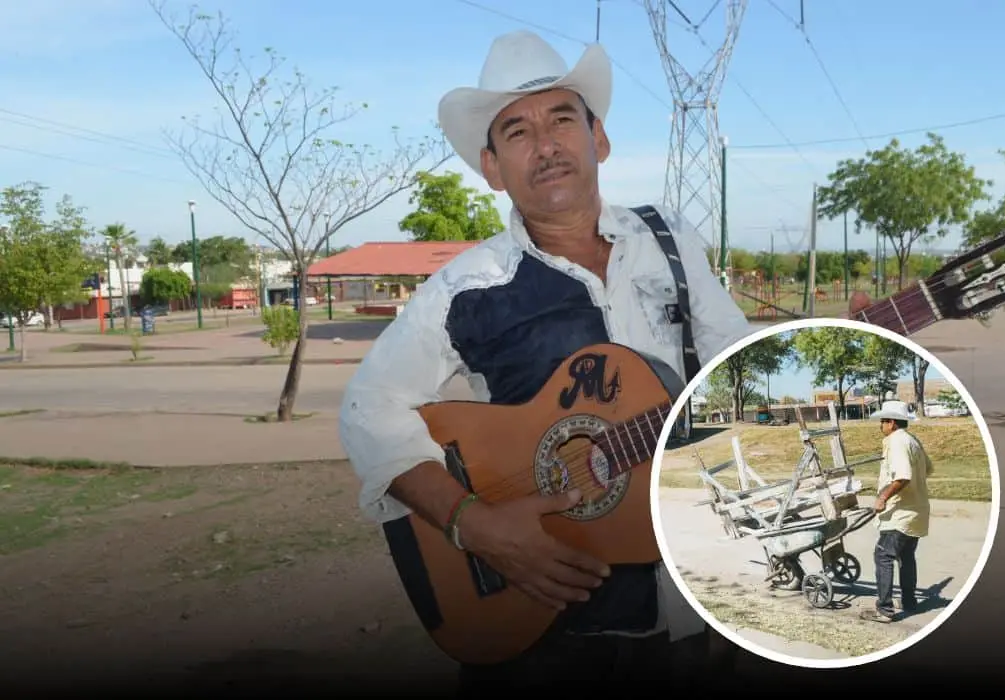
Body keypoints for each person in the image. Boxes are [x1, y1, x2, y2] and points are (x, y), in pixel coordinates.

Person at [338, 29, 875, 693]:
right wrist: (473, 525)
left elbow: (738, 368)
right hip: (544, 631)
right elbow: (368, 409)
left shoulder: (670, 243)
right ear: (493, 169)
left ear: (601, 140)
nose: (545, 144)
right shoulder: (464, 288)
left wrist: (840, 351)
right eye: (517, 132)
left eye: (563, 118)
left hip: (695, 605)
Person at [861, 399, 933, 623]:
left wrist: (883, 496)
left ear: (891, 422)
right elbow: (928, 469)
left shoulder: (896, 441)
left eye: (882, 421)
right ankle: (909, 601)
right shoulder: (913, 440)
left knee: (883, 555)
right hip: (916, 511)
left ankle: (884, 609)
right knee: (906, 556)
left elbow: (903, 476)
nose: (880, 425)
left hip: (899, 513)